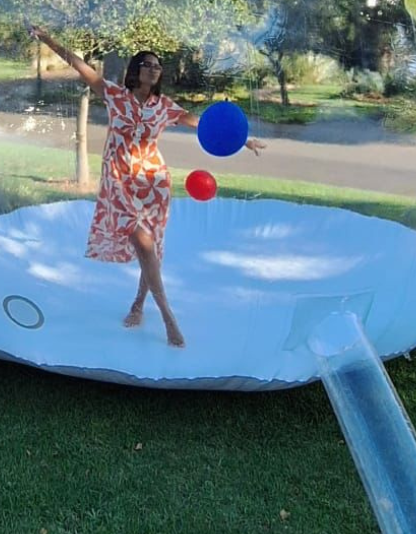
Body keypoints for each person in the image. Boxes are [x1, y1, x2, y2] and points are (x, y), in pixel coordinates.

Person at [29, 25, 266, 347]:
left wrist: (243, 141)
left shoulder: (164, 106)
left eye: (158, 66)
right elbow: (78, 64)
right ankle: (168, 317)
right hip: (118, 180)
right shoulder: (114, 95)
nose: (154, 70)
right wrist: (46, 38)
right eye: (148, 64)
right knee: (142, 243)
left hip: (153, 181)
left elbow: (203, 126)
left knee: (149, 248)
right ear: (136, 70)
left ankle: (139, 304)